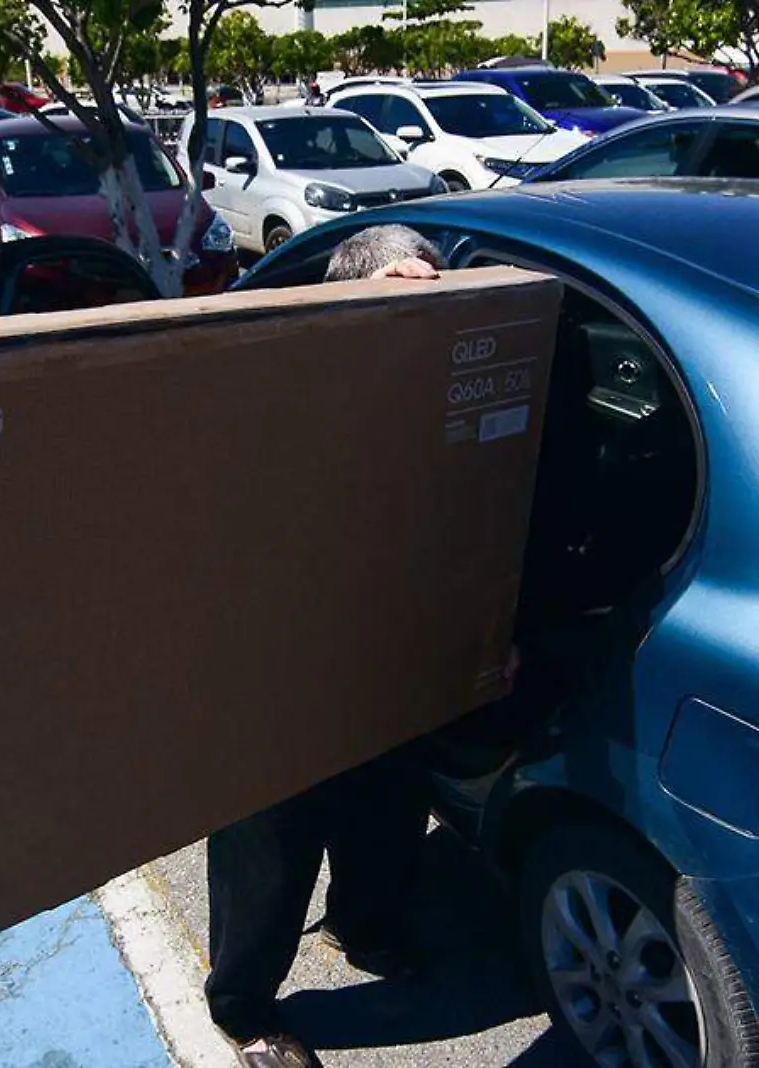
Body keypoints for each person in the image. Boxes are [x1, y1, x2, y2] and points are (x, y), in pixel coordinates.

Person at [201, 224, 452, 1068]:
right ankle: (242, 1006)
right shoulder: (275, 389)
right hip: (275, 662)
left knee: (387, 809)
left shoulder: (444, 387)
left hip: (387, 650)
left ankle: (364, 926)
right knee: (267, 848)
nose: (431, 306)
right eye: (409, 288)